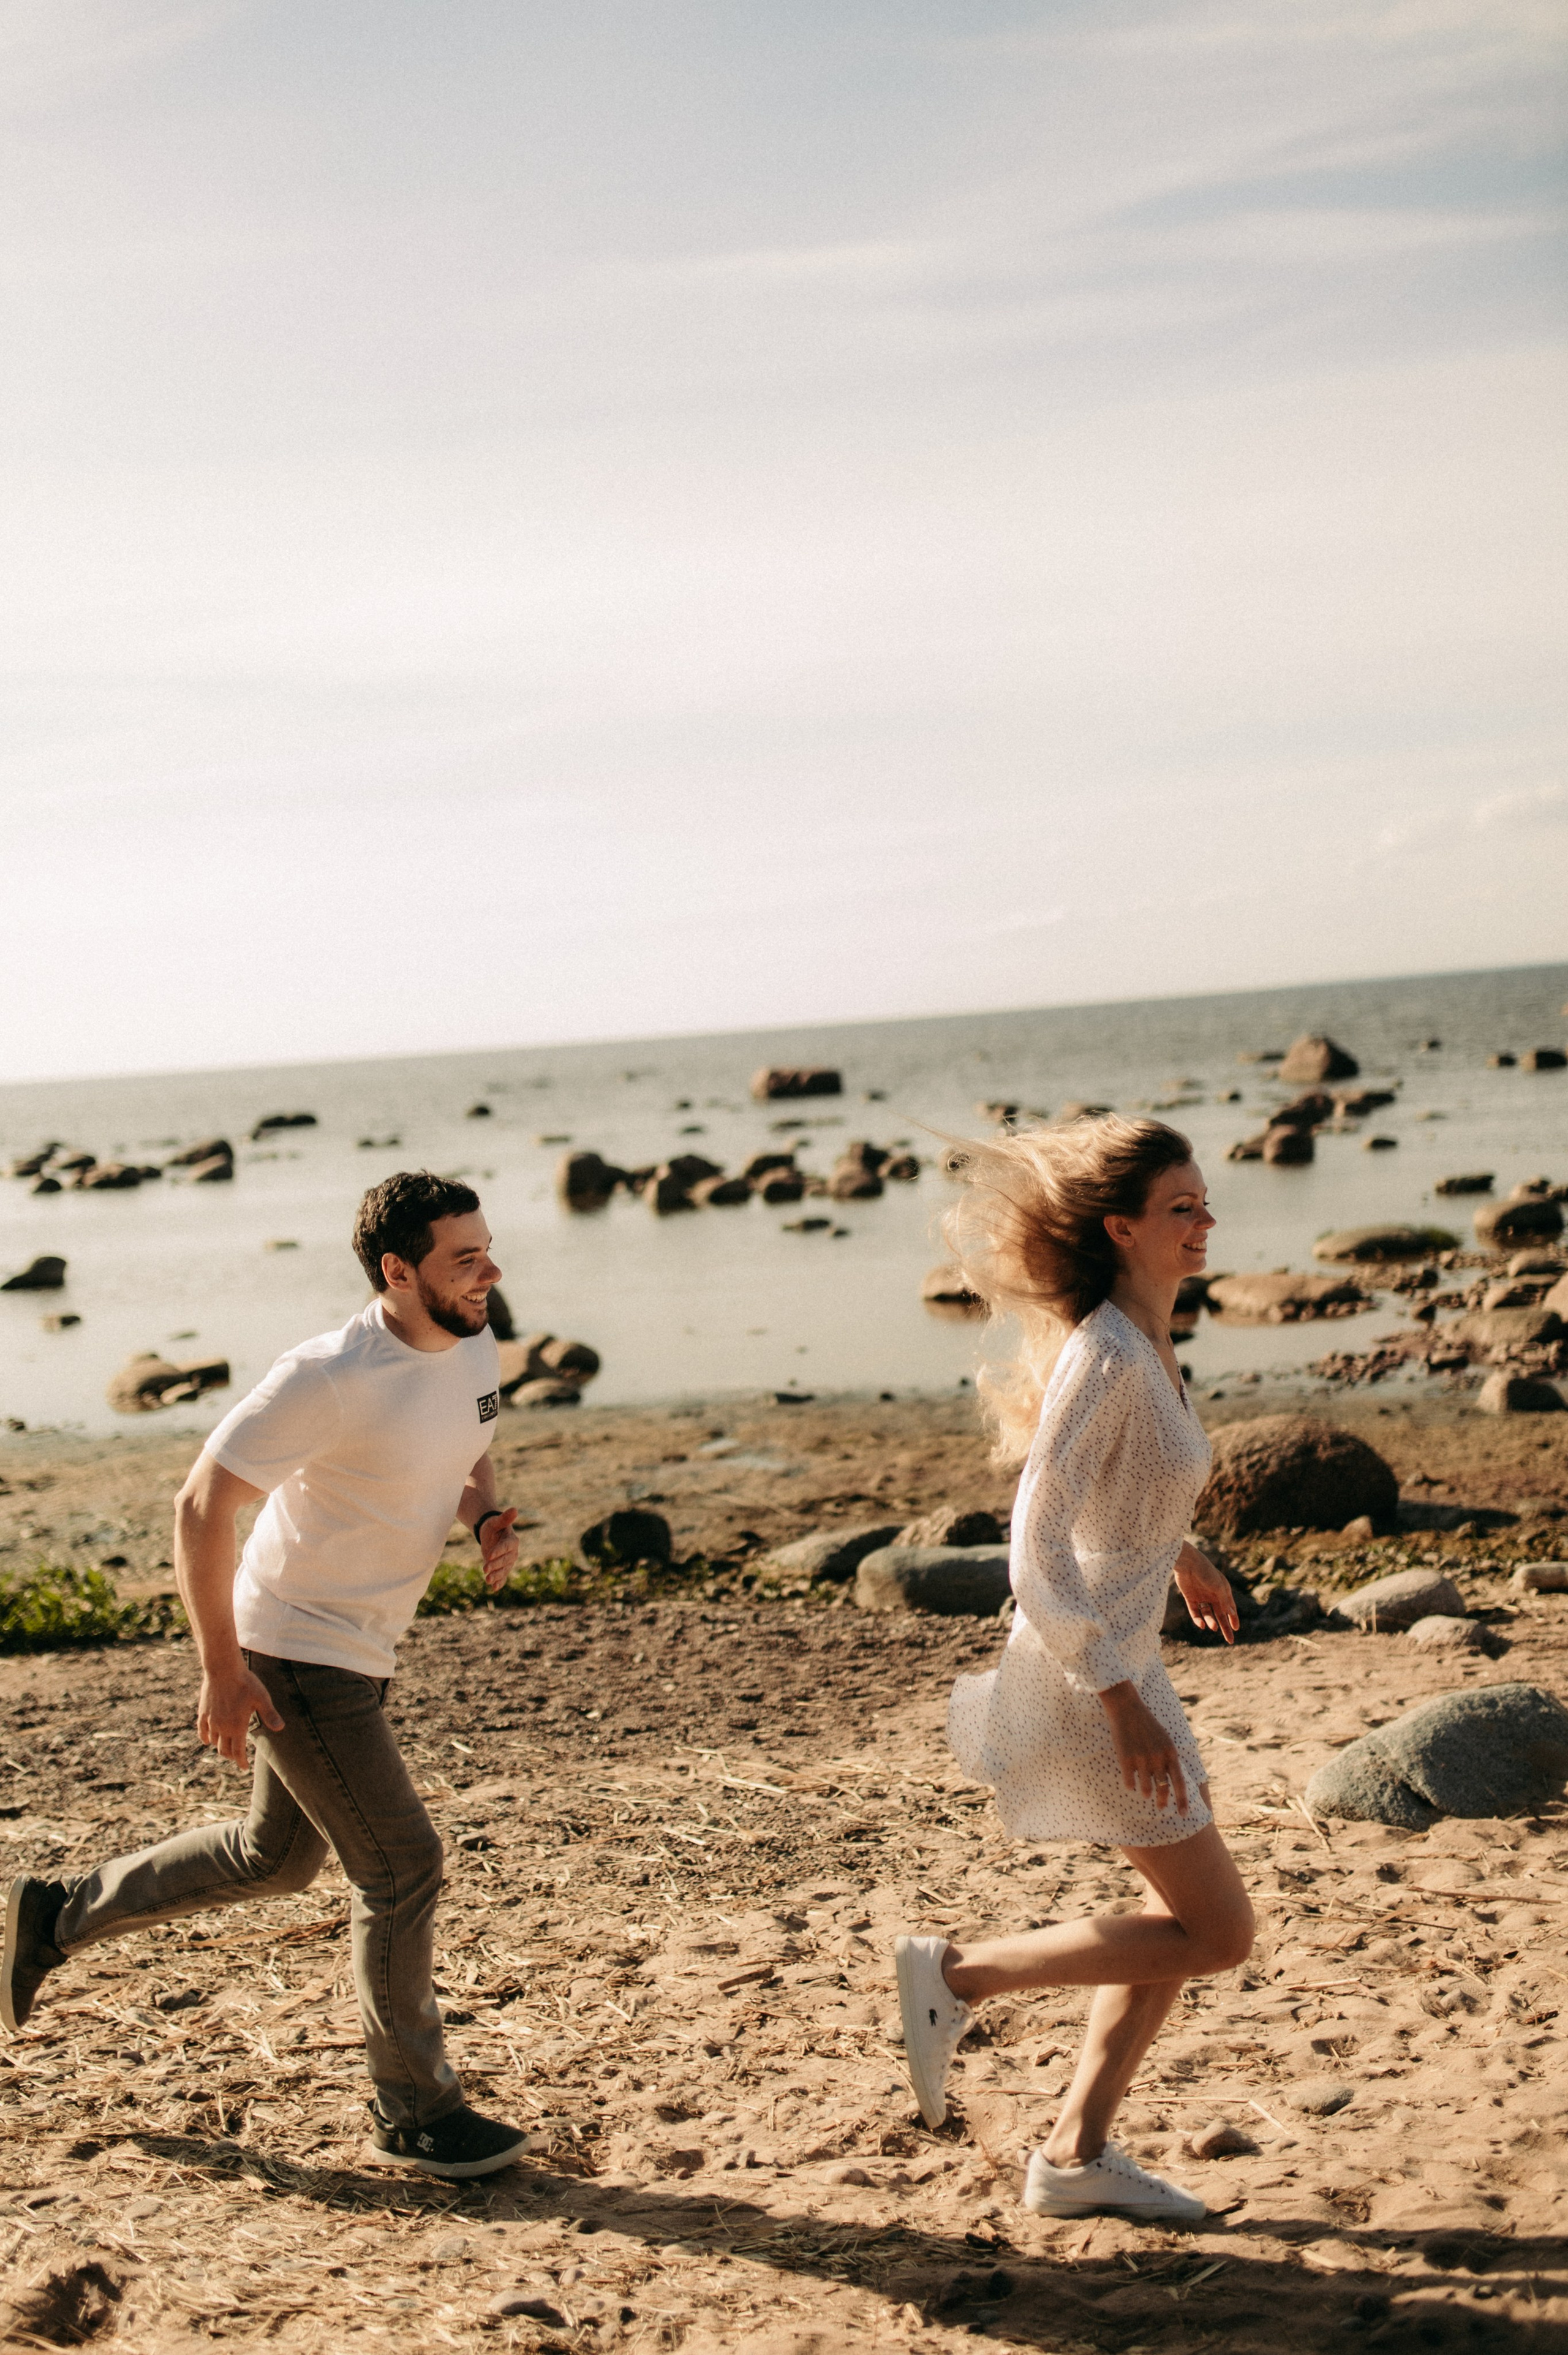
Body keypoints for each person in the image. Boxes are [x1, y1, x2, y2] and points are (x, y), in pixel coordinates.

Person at [2, 1171, 529, 2181]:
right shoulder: (327, 1374)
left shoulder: (474, 1338)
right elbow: (203, 1504)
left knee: (272, 1857)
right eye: (465, 1258)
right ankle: (415, 2111)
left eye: (486, 1249)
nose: (488, 1271)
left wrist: (483, 1519)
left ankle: (53, 1915)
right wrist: (222, 1666)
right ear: (397, 1270)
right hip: (297, 1647)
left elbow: (471, 1444)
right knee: (403, 1865)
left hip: (365, 1644)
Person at [894, 1116, 1254, 2224]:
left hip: (1123, 1664)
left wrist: (1181, 1552)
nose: (1203, 1222)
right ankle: (956, 1979)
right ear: (1122, 1228)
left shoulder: (1145, 1336)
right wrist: (1117, 1701)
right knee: (1218, 1933)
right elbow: (1033, 1549)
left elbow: (1128, 1486)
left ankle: (1075, 2155)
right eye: (1180, 1209)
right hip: (1088, 1679)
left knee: (1179, 1934)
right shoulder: (1105, 1357)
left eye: (1203, 1202)